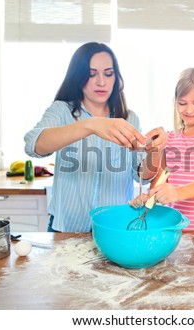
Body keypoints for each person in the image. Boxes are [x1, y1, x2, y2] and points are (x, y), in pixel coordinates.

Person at [24, 42, 166, 232]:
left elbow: (141, 175)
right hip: (67, 228)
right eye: (92, 74)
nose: (101, 82)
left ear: (116, 78)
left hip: (114, 227)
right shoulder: (62, 110)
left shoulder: (129, 118)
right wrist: (90, 125)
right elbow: (33, 144)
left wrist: (156, 151)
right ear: (78, 77)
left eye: (108, 74)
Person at [130, 68, 194, 230]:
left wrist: (177, 193)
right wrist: (147, 198)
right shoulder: (169, 139)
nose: (189, 110)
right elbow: (160, 183)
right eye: (182, 103)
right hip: (175, 228)